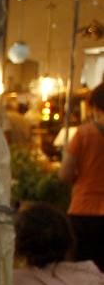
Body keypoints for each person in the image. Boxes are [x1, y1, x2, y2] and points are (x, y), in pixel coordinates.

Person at [59, 82, 104, 270]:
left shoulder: (84, 134)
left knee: (83, 270)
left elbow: (65, 174)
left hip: (84, 209)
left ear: (93, 105)